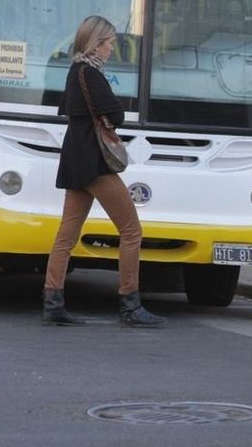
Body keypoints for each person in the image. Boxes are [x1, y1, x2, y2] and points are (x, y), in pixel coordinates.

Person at [43, 16, 165, 328]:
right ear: (96, 44)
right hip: (95, 163)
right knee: (131, 230)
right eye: (109, 42)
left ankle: (53, 302)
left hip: (75, 160)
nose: (112, 48)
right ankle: (130, 303)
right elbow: (116, 114)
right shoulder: (92, 75)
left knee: (66, 236)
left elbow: (70, 110)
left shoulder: (74, 72)